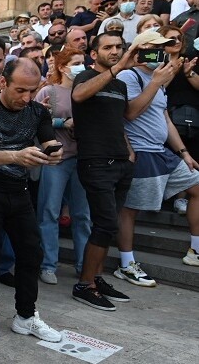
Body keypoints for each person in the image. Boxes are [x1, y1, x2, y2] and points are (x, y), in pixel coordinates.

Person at [0, 58, 64, 344]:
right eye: (20, 90)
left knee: (31, 253)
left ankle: (26, 315)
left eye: (32, 90)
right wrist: (15, 156)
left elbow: (48, 141)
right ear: (3, 83)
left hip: (18, 191)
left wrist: (53, 152)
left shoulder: (37, 111)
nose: (27, 97)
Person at [115, 30, 199, 280]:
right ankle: (126, 263)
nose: (158, 53)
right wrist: (154, 83)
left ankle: (196, 249)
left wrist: (183, 152)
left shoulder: (157, 77)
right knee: (131, 209)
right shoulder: (129, 76)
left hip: (163, 152)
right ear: (139, 51)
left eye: (161, 48)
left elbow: (165, 119)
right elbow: (129, 113)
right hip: (142, 152)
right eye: (153, 48)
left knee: (197, 186)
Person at [69, 31, 137, 310]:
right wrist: (119, 67)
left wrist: (156, 82)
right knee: (105, 222)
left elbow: (125, 118)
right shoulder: (84, 78)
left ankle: (96, 278)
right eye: (108, 47)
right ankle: (84, 284)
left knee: (108, 224)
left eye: (119, 47)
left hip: (120, 162)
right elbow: (79, 95)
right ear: (94, 53)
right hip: (95, 162)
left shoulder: (119, 85)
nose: (115, 51)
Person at [34, 47, 91, 286]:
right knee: (49, 212)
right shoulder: (49, 91)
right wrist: (62, 122)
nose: (81, 67)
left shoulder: (88, 92)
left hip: (82, 158)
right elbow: (34, 118)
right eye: (76, 62)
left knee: (83, 215)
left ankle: (84, 265)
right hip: (56, 158)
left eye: (83, 62)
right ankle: (48, 264)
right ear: (62, 67)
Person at [159, 24, 199, 215]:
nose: (176, 42)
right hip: (164, 115)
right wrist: (173, 70)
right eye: (170, 39)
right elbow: (158, 88)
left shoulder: (190, 60)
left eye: (179, 38)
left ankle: (181, 198)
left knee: (190, 155)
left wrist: (188, 72)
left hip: (192, 115)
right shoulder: (156, 62)